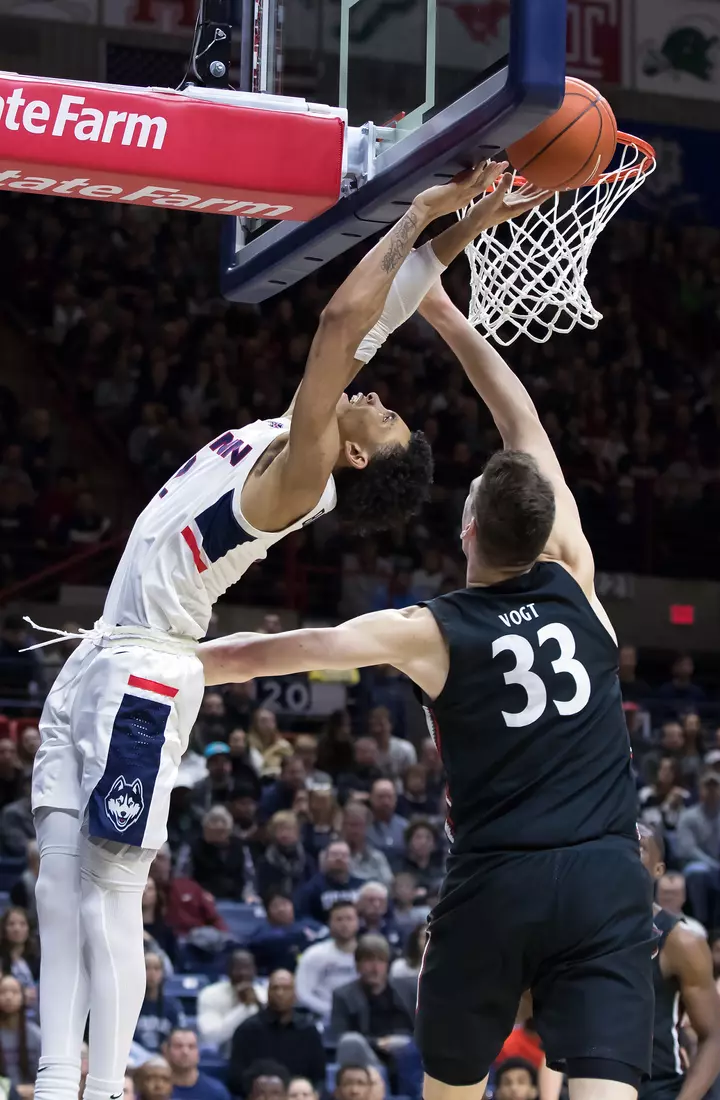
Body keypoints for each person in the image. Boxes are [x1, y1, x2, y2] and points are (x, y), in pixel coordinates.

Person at [29, 162, 510, 1100]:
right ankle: (53, 1079)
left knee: (111, 890)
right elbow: (385, 311)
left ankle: (97, 1089)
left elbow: (340, 324)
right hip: (99, 656)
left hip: (148, 674)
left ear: (358, 455)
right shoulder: (309, 430)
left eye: (389, 416)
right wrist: (469, 225)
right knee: (55, 882)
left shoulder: (299, 475)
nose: (380, 395)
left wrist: (417, 208)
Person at [199, 250, 657, 1100]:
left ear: (467, 527)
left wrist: (175, 660)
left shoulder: (431, 631)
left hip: (498, 879)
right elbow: (526, 429)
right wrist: (449, 320)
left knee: (447, 1086)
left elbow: (287, 650)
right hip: (604, 875)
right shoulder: (574, 575)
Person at [639, 825, 720, 1100]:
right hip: (588, 1084)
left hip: (658, 1087)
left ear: (658, 870)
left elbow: (715, 1038)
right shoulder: (579, 932)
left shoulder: (680, 942)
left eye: (637, 848)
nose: (624, 855)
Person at [229, 970, 326, 1093]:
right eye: (275, 988)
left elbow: (319, 1078)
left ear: (295, 994)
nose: (280, 993)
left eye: (286, 988)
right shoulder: (247, 1030)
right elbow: (236, 1079)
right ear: (268, 992)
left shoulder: (309, 1031)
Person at [329, 935, 417, 1064]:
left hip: (408, 1055)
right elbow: (341, 1040)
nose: (375, 968)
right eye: (368, 960)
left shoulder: (407, 989)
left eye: (381, 961)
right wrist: (377, 1043)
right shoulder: (343, 996)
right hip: (366, 1059)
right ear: (357, 964)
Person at [677, 772, 720, 925]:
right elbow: (687, 850)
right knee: (697, 871)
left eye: (715, 787)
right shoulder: (688, 816)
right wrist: (714, 865)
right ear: (700, 790)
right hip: (698, 866)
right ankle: (702, 922)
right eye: (708, 787)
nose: (712, 791)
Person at [294, 901, 359, 1021]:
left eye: (349, 919)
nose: (345, 924)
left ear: (358, 922)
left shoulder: (367, 954)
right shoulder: (314, 955)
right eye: (339, 919)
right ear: (330, 923)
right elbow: (302, 993)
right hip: (322, 1017)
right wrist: (332, 1011)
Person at [196, 950, 266, 1054]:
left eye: (247, 968)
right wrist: (244, 1007)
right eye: (238, 968)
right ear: (228, 971)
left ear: (255, 971)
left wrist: (258, 1005)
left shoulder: (263, 995)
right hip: (224, 1057)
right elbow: (211, 1036)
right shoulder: (210, 994)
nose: (243, 973)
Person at [249, 893, 326, 976]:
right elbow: (259, 942)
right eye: (275, 906)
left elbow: (326, 934)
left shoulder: (307, 924)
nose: (281, 909)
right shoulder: (264, 932)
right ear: (268, 912)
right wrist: (300, 937)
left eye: (285, 904)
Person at [294, 841, 362, 925]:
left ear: (350, 860)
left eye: (344, 855)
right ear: (325, 859)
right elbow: (303, 917)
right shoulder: (311, 888)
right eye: (334, 855)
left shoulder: (361, 886)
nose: (339, 858)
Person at [134, 952, 187, 1054]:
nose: (151, 973)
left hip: (166, 1058)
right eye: (146, 968)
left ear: (163, 973)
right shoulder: (129, 1006)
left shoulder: (172, 1005)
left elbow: (180, 1034)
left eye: (156, 968)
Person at [257, 811, 316, 899]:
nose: (285, 834)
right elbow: (261, 889)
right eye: (280, 829)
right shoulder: (265, 861)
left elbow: (312, 887)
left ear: (297, 832)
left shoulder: (307, 860)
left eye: (289, 829)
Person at [0, 975, 41, 1098]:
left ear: (23, 997)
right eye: (3, 992)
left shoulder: (35, 1035)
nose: (8, 997)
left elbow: (42, 1073)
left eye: (14, 992)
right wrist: (13, 1090)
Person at [165, 1028, 230, 1100]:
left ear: (198, 1053)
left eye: (191, 1046)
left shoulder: (216, 1092)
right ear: (167, 1051)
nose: (185, 1052)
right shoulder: (154, 1091)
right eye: (178, 1046)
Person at [340, 803, 393, 887]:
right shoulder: (331, 857)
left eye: (359, 825)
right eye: (350, 824)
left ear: (367, 827)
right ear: (342, 826)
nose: (354, 830)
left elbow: (387, 886)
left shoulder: (377, 858)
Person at [654, 872, 707, 939]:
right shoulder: (645, 926)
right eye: (665, 892)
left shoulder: (696, 929)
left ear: (684, 896)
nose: (670, 897)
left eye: (675, 893)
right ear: (656, 895)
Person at [366, 780, 408, 858]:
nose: (385, 802)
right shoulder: (362, 826)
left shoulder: (405, 827)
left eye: (389, 797)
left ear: (396, 799)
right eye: (381, 797)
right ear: (371, 798)